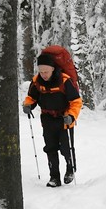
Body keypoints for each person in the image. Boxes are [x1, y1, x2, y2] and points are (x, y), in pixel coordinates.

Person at [23, 53, 82, 187]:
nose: (43, 74)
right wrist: (28, 105)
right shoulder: (37, 81)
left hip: (64, 119)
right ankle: (54, 177)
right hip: (47, 120)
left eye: (46, 71)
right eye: (41, 71)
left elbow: (76, 101)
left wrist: (71, 116)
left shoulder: (64, 80)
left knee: (66, 149)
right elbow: (32, 97)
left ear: (53, 69)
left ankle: (70, 169)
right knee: (50, 149)